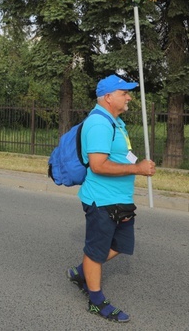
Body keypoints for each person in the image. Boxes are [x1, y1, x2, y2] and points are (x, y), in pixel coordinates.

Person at [66, 74, 156, 323]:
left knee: (121, 245)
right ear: (108, 97)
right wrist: (137, 169)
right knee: (96, 252)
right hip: (102, 200)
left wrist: (136, 164)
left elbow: (120, 155)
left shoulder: (115, 121)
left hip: (120, 198)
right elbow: (97, 165)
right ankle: (96, 301)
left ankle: (81, 272)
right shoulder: (99, 124)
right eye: (124, 93)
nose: (129, 97)